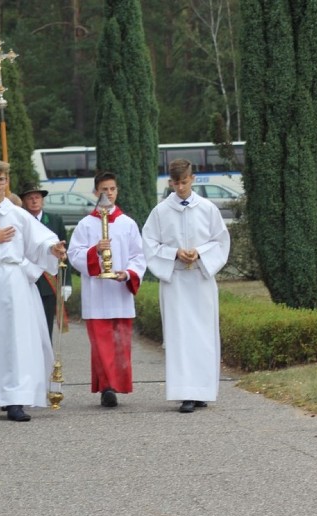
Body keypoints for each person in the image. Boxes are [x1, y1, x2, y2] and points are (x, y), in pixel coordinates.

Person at [0, 160, 67, 422]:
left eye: (2, 180)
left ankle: (16, 400)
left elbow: (40, 240)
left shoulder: (18, 215)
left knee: (17, 340)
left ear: (7, 182)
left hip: (15, 281)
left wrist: (53, 249)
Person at [142, 158, 230, 413]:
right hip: (177, 280)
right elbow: (150, 244)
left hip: (201, 279)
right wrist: (174, 253)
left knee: (203, 335)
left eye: (184, 182)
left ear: (192, 179)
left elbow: (220, 241)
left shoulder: (207, 208)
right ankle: (185, 393)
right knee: (180, 335)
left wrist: (200, 252)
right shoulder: (161, 211)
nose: (180, 188)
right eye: (176, 183)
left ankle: (203, 390)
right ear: (170, 182)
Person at [68, 171, 146, 408]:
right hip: (97, 294)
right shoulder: (85, 224)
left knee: (120, 342)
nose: (108, 193)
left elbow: (138, 256)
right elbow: (74, 255)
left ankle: (119, 383)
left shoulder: (128, 223)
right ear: (95, 192)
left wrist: (128, 273)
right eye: (103, 190)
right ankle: (107, 387)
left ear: (117, 191)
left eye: (112, 189)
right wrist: (95, 251)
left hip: (119, 293)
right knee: (101, 343)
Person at [19, 182, 72, 339]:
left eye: (37, 197)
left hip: (48, 282)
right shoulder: (21, 221)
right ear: (24, 201)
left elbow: (64, 253)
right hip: (27, 280)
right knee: (27, 325)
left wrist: (66, 282)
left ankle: (45, 357)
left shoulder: (55, 220)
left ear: (42, 200)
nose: (34, 201)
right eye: (30, 198)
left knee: (46, 326)